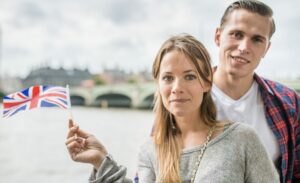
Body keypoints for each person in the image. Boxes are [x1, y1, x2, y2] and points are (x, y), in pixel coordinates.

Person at [65, 34, 280, 183]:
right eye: (168, 78)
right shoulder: (151, 150)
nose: (177, 88)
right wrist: (100, 160)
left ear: (206, 82)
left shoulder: (242, 139)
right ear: (158, 85)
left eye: (189, 76)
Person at [211, 1, 300, 182]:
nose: (244, 47)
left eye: (257, 39)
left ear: (266, 48)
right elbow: (154, 168)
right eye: (237, 34)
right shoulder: (184, 96)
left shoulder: (289, 102)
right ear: (218, 37)